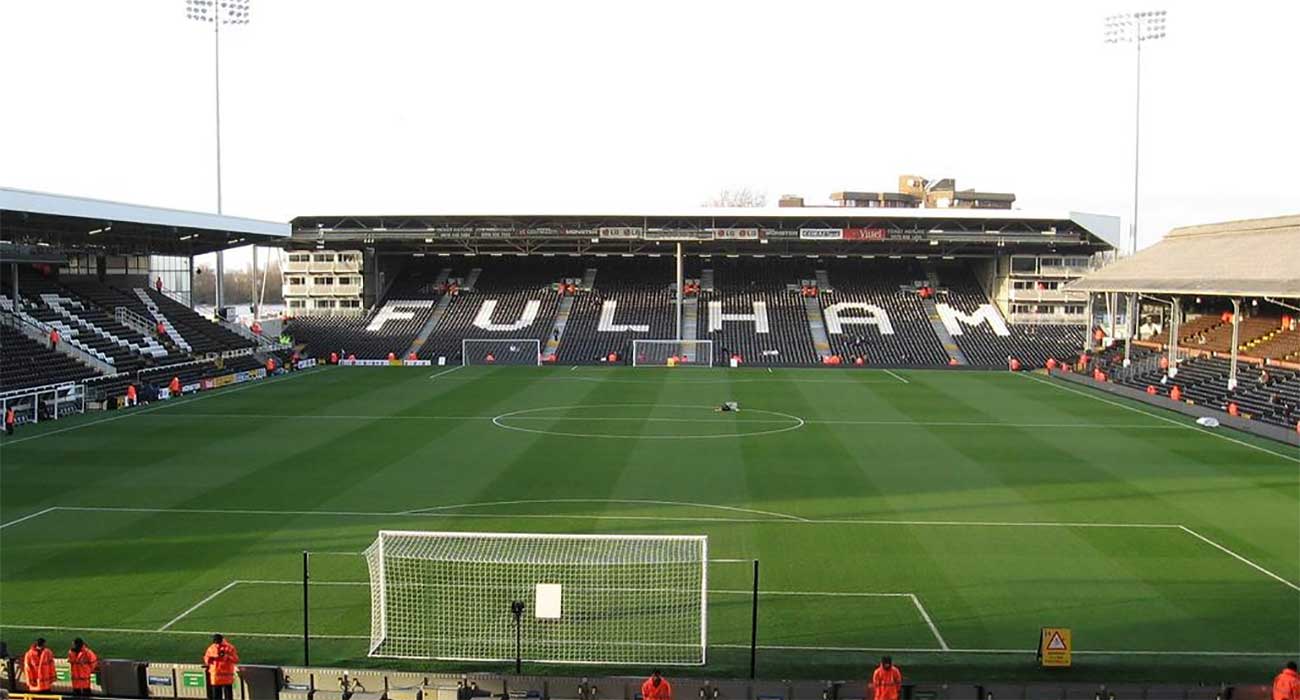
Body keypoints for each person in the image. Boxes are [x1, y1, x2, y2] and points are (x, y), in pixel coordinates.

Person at [203, 633, 240, 700]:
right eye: (216, 642)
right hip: (216, 676)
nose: (217, 644)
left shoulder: (229, 648)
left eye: (218, 642)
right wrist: (210, 659)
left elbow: (236, 659)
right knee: (216, 696)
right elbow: (206, 659)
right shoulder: (211, 648)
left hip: (226, 675)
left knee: (228, 696)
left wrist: (227, 657)